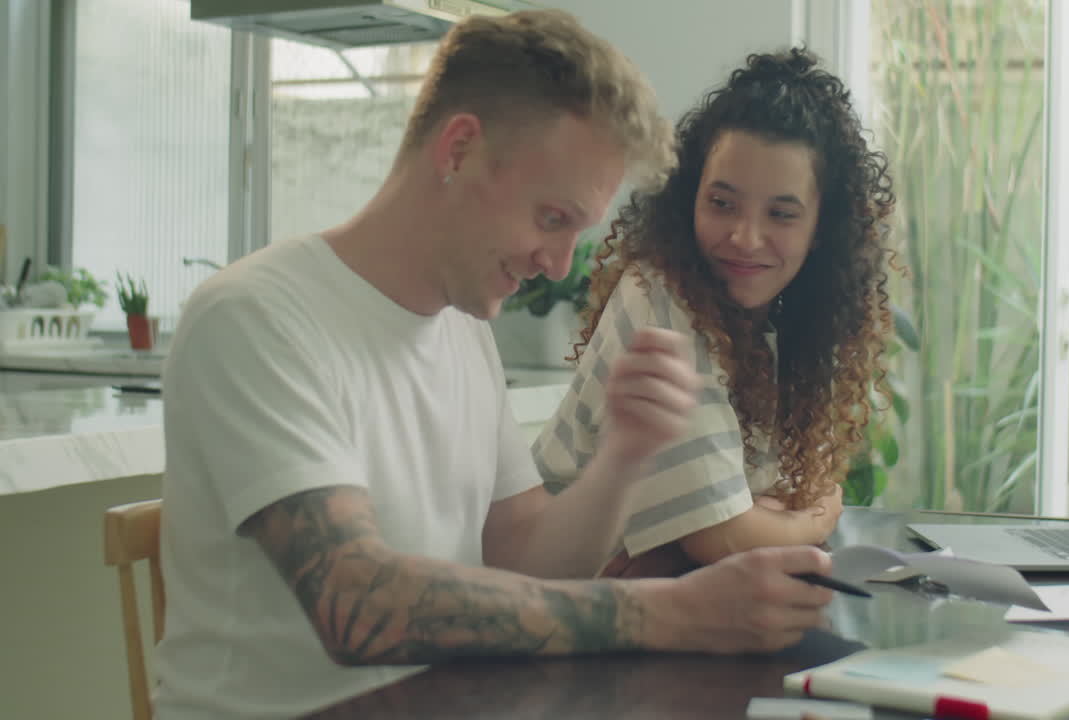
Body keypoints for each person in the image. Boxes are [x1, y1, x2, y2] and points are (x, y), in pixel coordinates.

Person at [153, 11, 834, 720]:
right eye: (552, 219)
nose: (560, 263)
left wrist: (623, 457)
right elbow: (355, 603)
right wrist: (669, 613)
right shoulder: (256, 317)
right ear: (459, 151)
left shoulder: (461, 329)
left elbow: (520, 561)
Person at [534, 48, 896, 578]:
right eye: (722, 204)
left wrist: (759, 522)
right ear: (689, 198)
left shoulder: (779, 323)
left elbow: (759, 510)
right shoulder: (659, 297)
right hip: (561, 608)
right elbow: (721, 539)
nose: (745, 238)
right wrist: (813, 522)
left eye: (781, 214)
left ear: (822, 230)